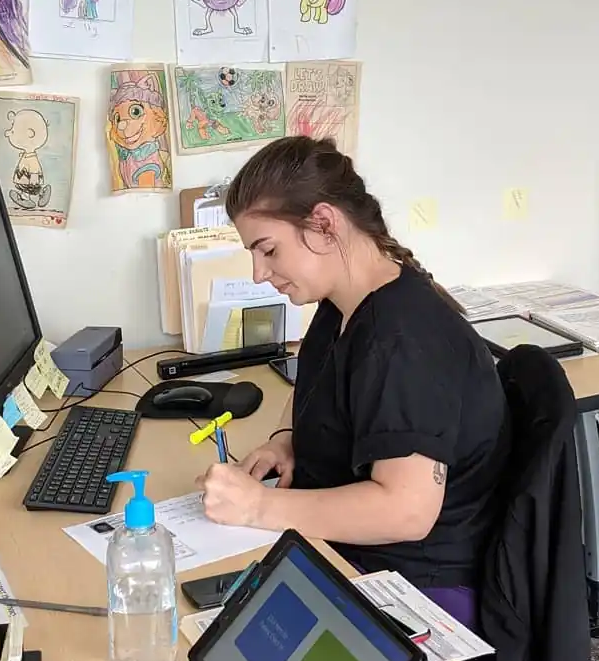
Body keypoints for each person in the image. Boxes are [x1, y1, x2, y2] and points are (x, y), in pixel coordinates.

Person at [197, 136, 511, 628]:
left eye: (269, 250)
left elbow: (406, 511)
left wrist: (259, 506)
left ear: (324, 224)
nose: (259, 273)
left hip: (416, 588)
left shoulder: (401, 341)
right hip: (354, 553)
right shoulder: (342, 302)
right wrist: (287, 439)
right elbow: (320, 384)